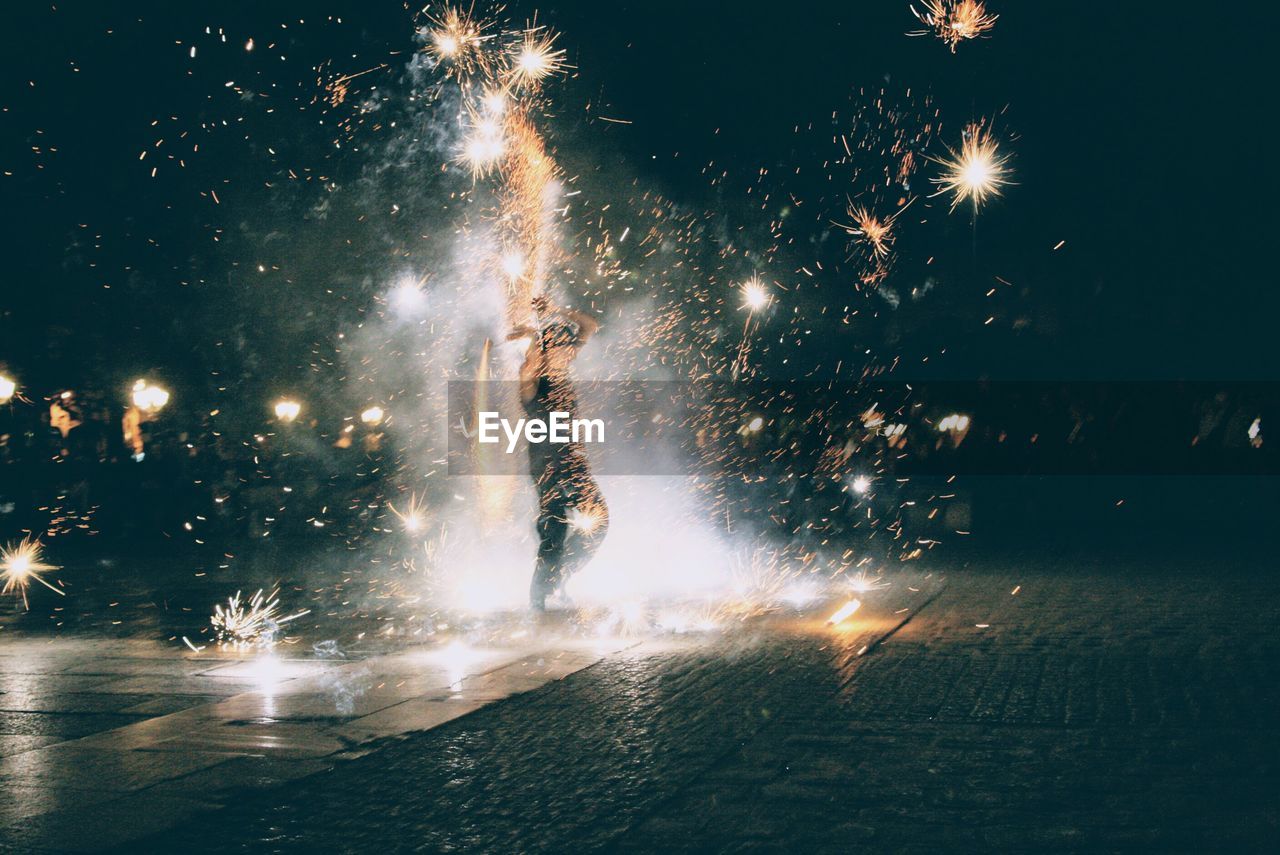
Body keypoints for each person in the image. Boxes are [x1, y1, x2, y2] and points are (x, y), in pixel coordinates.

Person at [513, 294, 608, 612]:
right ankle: (538, 600)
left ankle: (560, 578)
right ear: (544, 351)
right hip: (549, 466)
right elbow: (529, 364)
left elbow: (589, 325)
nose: (569, 352)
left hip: (576, 464)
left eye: (570, 347)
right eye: (560, 347)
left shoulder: (563, 367)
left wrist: (554, 312)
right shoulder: (534, 381)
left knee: (599, 521)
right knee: (555, 530)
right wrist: (532, 337)